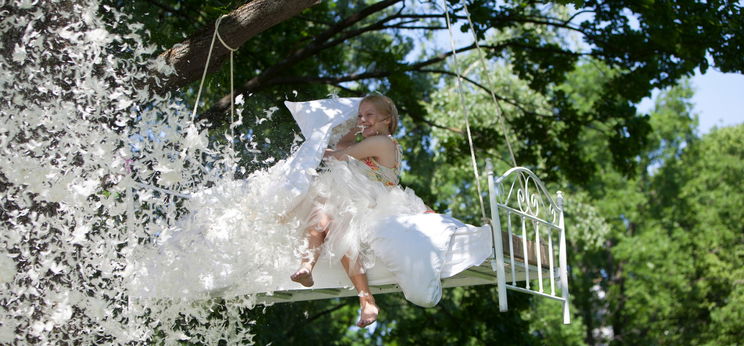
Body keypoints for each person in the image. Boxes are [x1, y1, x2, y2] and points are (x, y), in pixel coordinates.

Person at [289, 94, 427, 327]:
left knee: (340, 220)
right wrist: (355, 125)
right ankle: (307, 264)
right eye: (360, 115)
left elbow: (340, 155)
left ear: (387, 120)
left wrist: (311, 151)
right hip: (350, 200)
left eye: (370, 115)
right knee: (322, 210)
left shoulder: (384, 142)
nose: (364, 120)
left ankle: (366, 298)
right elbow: (343, 145)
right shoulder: (362, 143)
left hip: (374, 202)